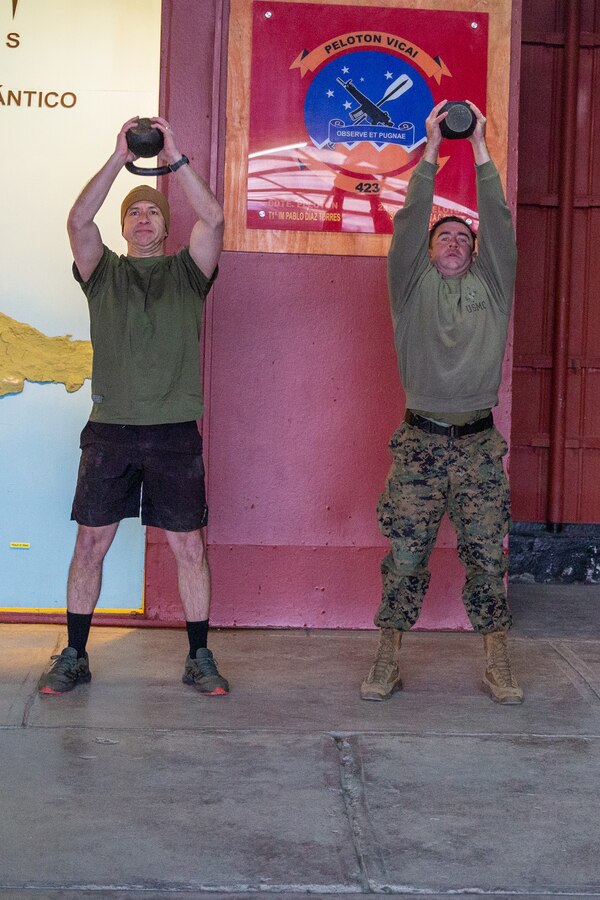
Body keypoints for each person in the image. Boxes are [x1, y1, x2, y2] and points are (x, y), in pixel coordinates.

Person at [38, 116, 228, 696]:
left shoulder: (188, 272)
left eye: (153, 213)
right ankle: (75, 654)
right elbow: (78, 220)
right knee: (90, 544)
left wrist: (174, 158)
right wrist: (120, 158)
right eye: (134, 213)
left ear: (167, 226)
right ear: (122, 226)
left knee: (189, 546)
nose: (144, 219)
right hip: (111, 431)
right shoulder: (103, 273)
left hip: (173, 432)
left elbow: (214, 218)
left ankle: (199, 657)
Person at [360, 100, 523, 705]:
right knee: (405, 557)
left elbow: (498, 223)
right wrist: (431, 148)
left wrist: (478, 144)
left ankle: (497, 659)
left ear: (474, 253)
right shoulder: (410, 287)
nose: (453, 242)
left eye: (462, 237)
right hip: (420, 446)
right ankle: (387, 656)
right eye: (443, 237)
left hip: (479, 447)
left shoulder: (493, 286)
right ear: (428, 253)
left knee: (487, 558)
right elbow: (410, 221)